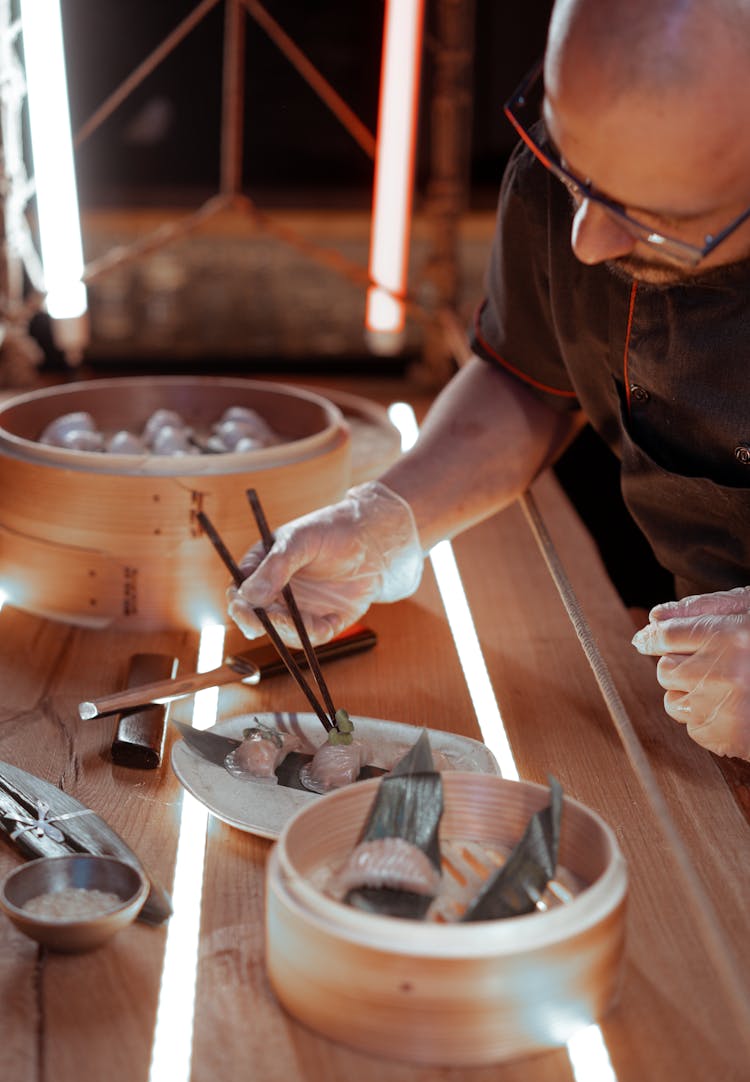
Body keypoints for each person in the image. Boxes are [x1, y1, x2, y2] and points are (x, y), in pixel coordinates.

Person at [228, 0, 750, 763]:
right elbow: (531, 379)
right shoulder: (579, 170)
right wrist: (386, 520)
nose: (587, 240)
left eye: (655, 223)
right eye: (574, 170)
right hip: (699, 713)